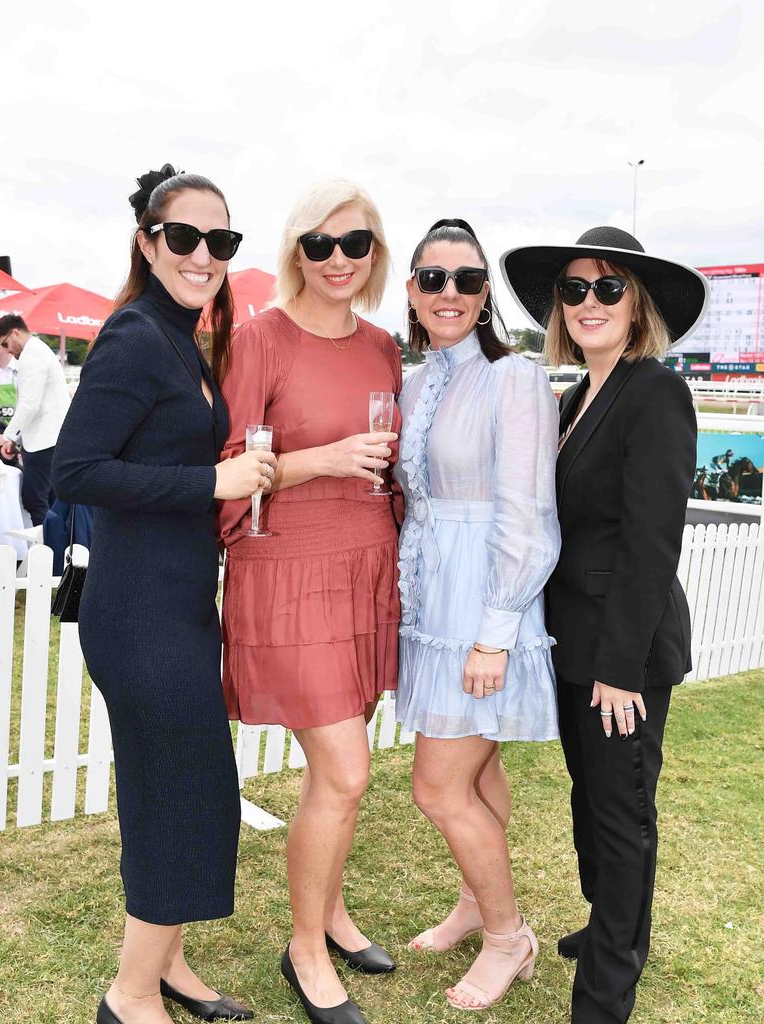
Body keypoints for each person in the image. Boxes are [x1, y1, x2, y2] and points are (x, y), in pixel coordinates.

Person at [52, 164, 275, 1024]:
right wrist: (210, 483)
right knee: (187, 795)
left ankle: (169, 967)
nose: (204, 254)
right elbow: (77, 470)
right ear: (149, 243)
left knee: (174, 792)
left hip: (177, 606)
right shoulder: (135, 335)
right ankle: (130, 993)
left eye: (220, 241)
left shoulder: (183, 336)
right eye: (185, 237)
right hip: (139, 614)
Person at [501, 225, 708, 1024]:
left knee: (622, 815)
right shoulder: (573, 398)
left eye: (608, 288)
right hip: (569, 645)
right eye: (574, 289)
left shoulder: (654, 391)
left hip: (625, 653)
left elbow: (653, 541)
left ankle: (608, 987)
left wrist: (619, 666)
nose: (589, 301)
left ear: (637, 305)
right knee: (592, 799)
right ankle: (607, 925)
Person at [218, 179, 400, 1024]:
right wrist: (319, 460)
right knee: (348, 769)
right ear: (295, 252)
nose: (336, 260)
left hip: (365, 566)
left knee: (344, 777)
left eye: (353, 244)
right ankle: (304, 947)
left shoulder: (385, 347)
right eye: (318, 244)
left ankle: (330, 912)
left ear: (374, 254)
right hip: (290, 572)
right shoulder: (259, 339)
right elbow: (225, 476)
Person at [396, 219, 561, 1011]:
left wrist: (497, 630)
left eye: (466, 279)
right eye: (434, 279)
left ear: (485, 293)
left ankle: (509, 938)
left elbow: (527, 511)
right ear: (413, 291)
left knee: (439, 786)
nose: (450, 293)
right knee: (477, 768)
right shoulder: (417, 380)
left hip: (489, 604)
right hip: (434, 599)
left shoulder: (515, 378)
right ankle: (474, 901)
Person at [0, 314, 70, 525]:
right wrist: (15, 441)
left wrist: (6, 436)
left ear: (15, 332)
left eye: (5, 343)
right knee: (51, 500)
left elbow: (29, 404)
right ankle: (56, 548)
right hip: (49, 439)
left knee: (35, 501)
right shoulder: (39, 350)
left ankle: (47, 551)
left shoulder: (32, 356)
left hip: (43, 442)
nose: (7, 350)